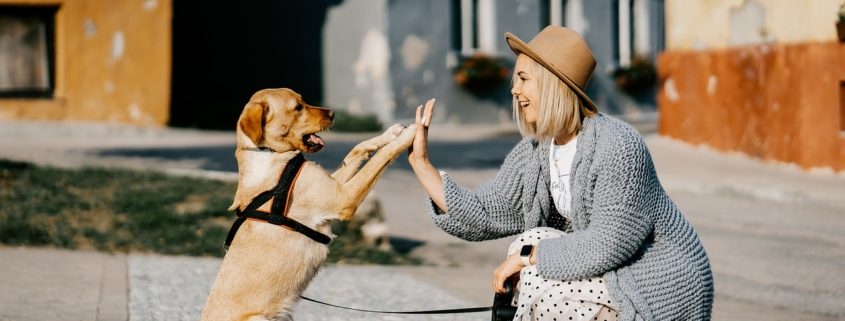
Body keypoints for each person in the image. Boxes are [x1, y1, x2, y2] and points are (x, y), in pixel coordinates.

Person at [407, 26, 713, 321]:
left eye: (524, 78)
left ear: (553, 82)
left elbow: (607, 243)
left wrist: (527, 257)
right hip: (610, 271)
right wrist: (422, 163)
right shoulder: (536, 150)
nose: (515, 90)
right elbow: (486, 212)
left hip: (657, 280)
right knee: (532, 244)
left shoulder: (618, 145)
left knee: (538, 276)